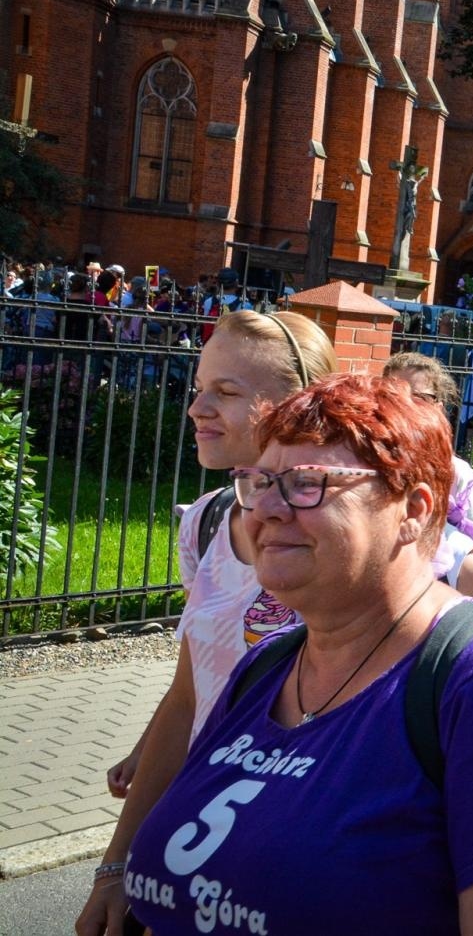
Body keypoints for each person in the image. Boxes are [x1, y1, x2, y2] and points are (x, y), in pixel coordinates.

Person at [108, 374, 473, 934]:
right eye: (259, 482)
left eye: (307, 483)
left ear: (413, 510)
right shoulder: (266, 666)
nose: (267, 509)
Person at [77, 311, 336, 935]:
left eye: (226, 392)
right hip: (196, 841)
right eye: (199, 389)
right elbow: (189, 697)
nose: (197, 408)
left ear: (296, 404)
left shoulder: (341, 536)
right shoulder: (207, 523)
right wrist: (116, 865)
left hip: (295, 860)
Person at [383, 351, 473, 535]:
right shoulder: (369, 465)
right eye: (394, 396)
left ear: (437, 409)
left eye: (419, 398)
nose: (406, 405)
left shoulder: (457, 476)